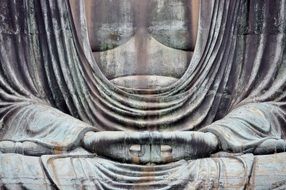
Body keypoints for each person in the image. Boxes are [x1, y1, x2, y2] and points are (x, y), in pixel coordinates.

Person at [0, 0, 286, 189]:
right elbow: (14, 103)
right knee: (9, 171)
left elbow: (271, 102)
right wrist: (85, 137)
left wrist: (215, 138)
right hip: (83, 153)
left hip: (207, 155)